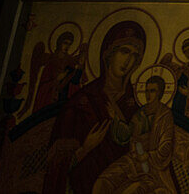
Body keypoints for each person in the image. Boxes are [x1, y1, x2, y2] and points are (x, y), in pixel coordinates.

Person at [43, 21, 146, 194]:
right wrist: (85, 149)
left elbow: (144, 160)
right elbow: (55, 167)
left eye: (135, 55)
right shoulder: (81, 102)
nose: (128, 60)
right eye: (124, 51)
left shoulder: (135, 105)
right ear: (108, 54)